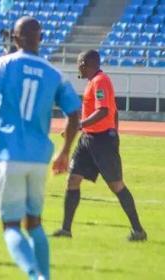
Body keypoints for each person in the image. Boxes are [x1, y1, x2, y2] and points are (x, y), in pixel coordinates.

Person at [0, 16, 81, 280]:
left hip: (9, 154)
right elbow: (75, 114)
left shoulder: (1, 64)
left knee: (11, 225)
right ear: (42, 38)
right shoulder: (55, 74)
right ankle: (45, 277)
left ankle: (35, 274)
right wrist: (64, 151)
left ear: (15, 39)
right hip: (39, 158)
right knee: (34, 222)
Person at [52, 50, 147, 241]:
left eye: (79, 62)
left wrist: (80, 125)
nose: (78, 66)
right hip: (88, 139)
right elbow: (114, 110)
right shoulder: (93, 82)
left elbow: (103, 111)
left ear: (86, 63)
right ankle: (66, 230)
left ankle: (139, 231)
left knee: (116, 185)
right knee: (73, 179)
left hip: (102, 141)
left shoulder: (100, 81)